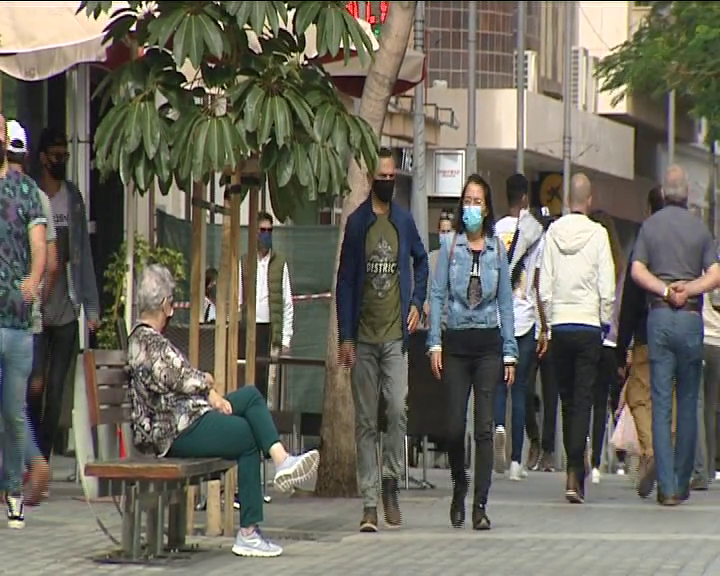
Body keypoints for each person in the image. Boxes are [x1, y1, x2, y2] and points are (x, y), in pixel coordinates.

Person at [128, 264, 319, 557]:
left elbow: (175, 374)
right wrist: (208, 387)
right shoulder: (146, 340)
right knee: (247, 435)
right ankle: (248, 533)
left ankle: (281, 460)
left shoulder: (148, 339)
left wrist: (207, 389)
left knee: (251, 396)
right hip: (173, 431)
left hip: (186, 417)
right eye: (170, 304)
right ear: (165, 304)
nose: (171, 311)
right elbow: (176, 376)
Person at [336, 147, 428, 532]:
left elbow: (422, 260)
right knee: (365, 422)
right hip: (364, 337)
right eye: (382, 177)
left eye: (392, 177)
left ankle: (391, 481)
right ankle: (370, 503)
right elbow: (345, 281)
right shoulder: (358, 225)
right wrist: (346, 336)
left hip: (395, 337)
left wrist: (417, 302)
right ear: (371, 178)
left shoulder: (403, 222)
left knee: (396, 409)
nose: (387, 182)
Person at [428, 173, 517, 530]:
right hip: (456, 342)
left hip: (488, 345)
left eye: (478, 202)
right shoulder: (451, 247)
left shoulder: (497, 249)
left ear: (488, 207)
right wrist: (434, 341)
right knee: (452, 428)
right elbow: (437, 295)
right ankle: (458, 484)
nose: (471, 208)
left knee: (483, 428)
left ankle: (480, 503)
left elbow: (506, 305)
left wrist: (510, 352)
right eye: (467, 201)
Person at [630, 165, 720, 505]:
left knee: (661, 401)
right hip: (691, 319)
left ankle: (665, 486)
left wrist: (665, 291)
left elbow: (638, 269)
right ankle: (682, 481)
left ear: (664, 193)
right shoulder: (699, 229)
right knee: (688, 401)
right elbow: (716, 274)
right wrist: (689, 288)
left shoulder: (650, 227)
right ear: (688, 195)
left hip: (660, 318)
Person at [539, 173, 615, 504]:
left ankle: (571, 467)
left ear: (568, 199)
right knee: (584, 399)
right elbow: (607, 287)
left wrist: (549, 319)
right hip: (587, 326)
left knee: (567, 399)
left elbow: (543, 284)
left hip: (561, 326)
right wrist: (602, 320)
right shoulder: (599, 235)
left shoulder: (552, 233)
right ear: (589, 200)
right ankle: (575, 470)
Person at [31, 127, 100, 461]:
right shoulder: (31, 195)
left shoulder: (72, 199)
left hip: (67, 307)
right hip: (35, 308)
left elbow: (83, 254)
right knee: (35, 383)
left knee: (57, 387)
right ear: (43, 158)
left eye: (66, 156)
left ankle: (42, 455)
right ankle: (28, 449)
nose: (61, 161)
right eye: (56, 156)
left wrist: (92, 306)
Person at [0, 113, 48, 528]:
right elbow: (40, 244)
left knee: (13, 411)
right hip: (17, 320)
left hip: (13, 319)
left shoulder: (27, 191)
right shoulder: (31, 191)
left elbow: (40, 244)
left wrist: (33, 279)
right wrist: (33, 280)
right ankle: (14, 493)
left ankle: (14, 487)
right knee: (13, 412)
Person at [6, 120, 56, 504]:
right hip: (27, 316)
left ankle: (21, 467)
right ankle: (30, 462)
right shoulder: (36, 195)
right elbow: (50, 259)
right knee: (16, 401)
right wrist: (35, 291)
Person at [493, 173, 544, 479]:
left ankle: (498, 426)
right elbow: (538, 281)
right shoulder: (536, 233)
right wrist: (543, 327)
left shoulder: (496, 230)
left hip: (500, 319)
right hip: (526, 318)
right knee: (521, 388)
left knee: (500, 384)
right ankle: (515, 462)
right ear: (525, 197)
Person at [616, 185, 665, 497]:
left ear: (649, 209)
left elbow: (632, 296)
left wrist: (623, 345)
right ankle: (671, 459)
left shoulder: (646, 240)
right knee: (671, 399)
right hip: (682, 330)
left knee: (639, 395)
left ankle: (651, 451)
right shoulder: (689, 236)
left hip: (648, 333)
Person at [587, 210, 626, 484]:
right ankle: (601, 462)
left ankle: (581, 458)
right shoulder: (619, 265)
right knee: (604, 403)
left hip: (588, 333)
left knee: (582, 400)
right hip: (611, 341)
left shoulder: (589, 259)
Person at [238, 212, 293, 401]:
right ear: (254, 232)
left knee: (269, 384)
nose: (266, 234)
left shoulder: (280, 262)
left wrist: (286, 338)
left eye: (270, 230)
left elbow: (287, 303)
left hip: (271, 331)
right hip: (250, 329)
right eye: (262, 230)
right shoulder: (244, 262)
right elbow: (238, 299)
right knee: (249, 380)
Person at [524, 208, 558, 472]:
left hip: (551, 327)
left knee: (550, 391)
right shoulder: (532, 246)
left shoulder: (556, 251)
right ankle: (534, 439)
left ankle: (547, 448)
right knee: (525, 388)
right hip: (531, 326)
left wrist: (548, 327)